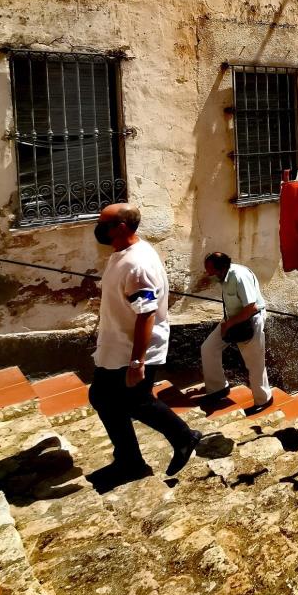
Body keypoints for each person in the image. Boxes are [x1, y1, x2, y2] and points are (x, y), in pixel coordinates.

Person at [88, 203, 201, 489]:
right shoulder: (125, 253)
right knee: (104, 398)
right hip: (116, 346)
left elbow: (146, 313)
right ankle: (129, 460)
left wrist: (137, 362)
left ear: (121, 228)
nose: (97, 227)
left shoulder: (137, 264)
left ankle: (182, 438)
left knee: (136, 402)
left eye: (104, 223)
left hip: (133, 351)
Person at [200, 252, 273, 414]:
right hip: (233, 320)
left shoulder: (239, 276)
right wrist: (229, 323)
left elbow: (251, 308)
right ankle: (218, 388)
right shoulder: (223, 275)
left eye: (210, 269)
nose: (208, 273)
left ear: (221, 267)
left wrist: (229, 324)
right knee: (208, 348)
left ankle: (264, 399)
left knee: (254, 363)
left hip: (251, 320)